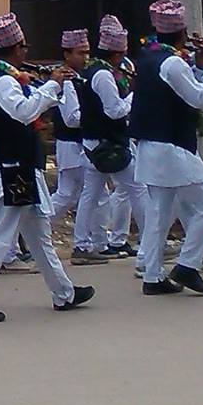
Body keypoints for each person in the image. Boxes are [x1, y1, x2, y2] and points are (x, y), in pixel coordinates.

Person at [0, 14, 91, 322]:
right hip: (13, 168)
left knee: (39, 235)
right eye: (23, 46)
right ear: (15, 48)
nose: (26, 52)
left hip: (21, 166)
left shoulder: (3, 77)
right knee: (2, 236)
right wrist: (52, 86)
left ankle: (63, 292)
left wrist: (49, 89)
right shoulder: (1, 81)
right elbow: (24, 111)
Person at [129, 0, 203, 297]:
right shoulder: (172, 62)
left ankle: (152, 275)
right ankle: (188, 265)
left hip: (152, 145)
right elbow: (198, 98)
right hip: (172, 146)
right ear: (182, 31)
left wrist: (197, 59)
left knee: (160, 213)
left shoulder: (148, 55)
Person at [74, 16, 137, 262]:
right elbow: (114, 110)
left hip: (95, 142)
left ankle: (82, 245)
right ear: (117, 53)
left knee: (90, 195)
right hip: (107, 143)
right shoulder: (102, 75)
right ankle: (156, 242)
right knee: (138, 189)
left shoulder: (95, 71)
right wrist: (134, 97)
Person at [49, 28, 94, 244]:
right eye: (80, 53)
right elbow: (71, 118)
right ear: (67, 54)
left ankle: (34, 228)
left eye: (87, 52)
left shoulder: (79, 78)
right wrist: (98, 115)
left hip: (74, 144)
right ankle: (87, 242)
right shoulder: (67, 80)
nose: (85, 57)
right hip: (72, 145)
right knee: (93, 194)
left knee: (67, 194)